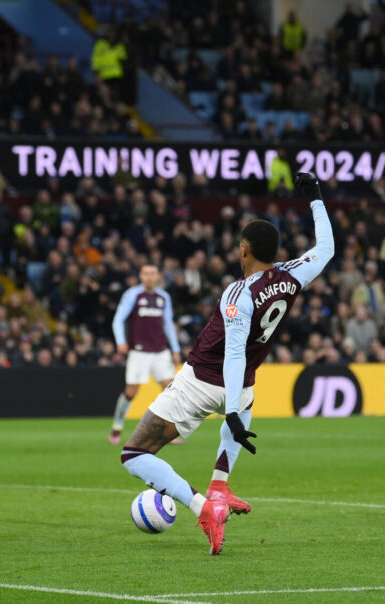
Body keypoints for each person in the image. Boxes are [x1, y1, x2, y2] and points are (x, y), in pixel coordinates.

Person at [120, 172, 333, 555]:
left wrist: (230, 410)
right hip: (245, 386)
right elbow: (327, 249)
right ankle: (220, 484)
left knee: (134, 454)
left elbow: (233, 351)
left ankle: (204, 508)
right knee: (238, 408)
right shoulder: (291, 275)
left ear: (244, 250)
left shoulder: (238, 292)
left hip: (201, 382)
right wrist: (315, 197)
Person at [108, 264, 181, 445]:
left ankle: (167, 432)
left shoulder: (164, 297)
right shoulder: (133, 295)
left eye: (152, 274)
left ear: (158, 277)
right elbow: (118, 319)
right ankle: (117, 425)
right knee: (132, 392)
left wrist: (176, 348)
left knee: (170, 389)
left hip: (160, 350)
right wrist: (120, 341)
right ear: (140, 276)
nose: (149, 277)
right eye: (146, 274)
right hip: (139, 351)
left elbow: (168, 324)